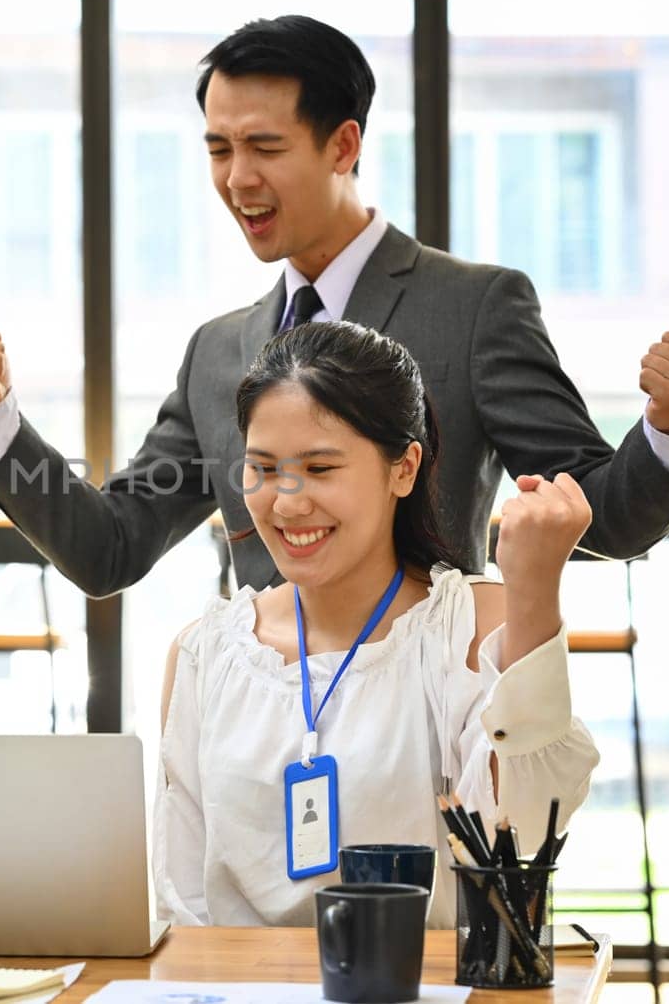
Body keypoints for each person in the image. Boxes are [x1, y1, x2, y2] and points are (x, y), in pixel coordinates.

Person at [0, 14, 669, 594]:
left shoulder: (476, 307)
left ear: (344, 146)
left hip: (424, 722)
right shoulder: (218, 351)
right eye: (219, 149)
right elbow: (109, 547)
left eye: (265, 147)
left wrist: (668, 425)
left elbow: (604, 518)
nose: (237, 178)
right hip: (258, 725)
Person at [152, 320, 600, 929]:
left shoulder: (467, 627)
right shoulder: (205, 654)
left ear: (404, 468)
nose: (286, 502)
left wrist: (535, 590)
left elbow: (521, 832)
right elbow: (180, 900)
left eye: (319, 468)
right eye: (262, 468)